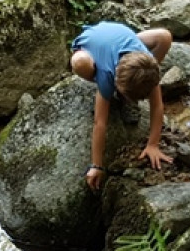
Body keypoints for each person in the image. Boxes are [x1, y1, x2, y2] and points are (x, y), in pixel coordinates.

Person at [70, 21, 173, 191]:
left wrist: (153, 144)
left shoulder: (149, 68)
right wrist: (97, 165)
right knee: (80, 62)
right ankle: (115, 85)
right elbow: (100, 123)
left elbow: (157, 107)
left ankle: (130, 89)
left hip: (120, 35)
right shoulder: (106, 74)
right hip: (90, 42)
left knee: (165, 37)